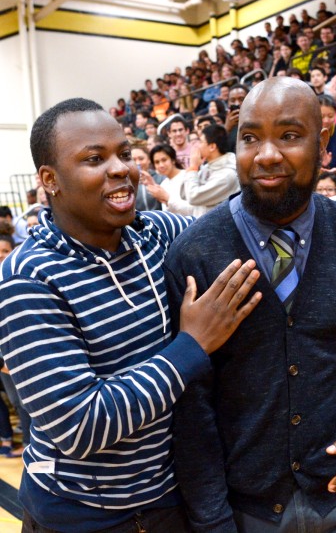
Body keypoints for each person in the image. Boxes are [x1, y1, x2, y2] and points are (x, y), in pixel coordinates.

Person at [0, 97, 265, 533]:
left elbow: (247, 226)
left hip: (168, 498)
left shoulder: (157, 233)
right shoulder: (27, 277)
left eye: (124, 153)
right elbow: (79, 424)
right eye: (94, 159)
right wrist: (192, 347)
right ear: (50, 180)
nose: (121, 167)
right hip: (82, 516)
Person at [167, 77, 336, 532]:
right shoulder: (195, 253)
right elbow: (192, 410)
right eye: (250, 137)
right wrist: (213, 522)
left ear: (323, 146)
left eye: (290, 136)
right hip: (247, 512)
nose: (267, 154)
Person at [182, 124, 240, 217]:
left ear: (212, 146)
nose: (197, 146)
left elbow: (193, 196)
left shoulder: (227, 175)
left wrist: (193, 168)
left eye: (200, 141)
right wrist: (192, 168)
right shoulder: (207, 166)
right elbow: (184, 194)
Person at [131, 142, 167, 211]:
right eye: (133, 160)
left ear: (149, 160)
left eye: (141, 159)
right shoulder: (126, 182)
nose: (138, 163)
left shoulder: (161, 178)